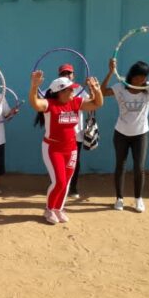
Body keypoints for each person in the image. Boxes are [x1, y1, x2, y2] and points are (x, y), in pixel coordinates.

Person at [101, 59, 149, 211]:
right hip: (121, 133)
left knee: (139, 167)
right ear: (131, 76)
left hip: (141, 134)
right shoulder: (120, 87)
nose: (141, 80)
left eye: (144, 77)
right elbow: (102, 93)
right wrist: (110, 73)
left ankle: (138, 199)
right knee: (120, 165)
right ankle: (119, 198)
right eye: (138, 77)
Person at [30, 71, 103, 224]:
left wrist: (97, 90)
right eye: (70, 89)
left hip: (71, 149)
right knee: (59, 182)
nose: (73, 91)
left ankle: (58, 208)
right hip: (53, 149)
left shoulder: (76, 102)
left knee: (67, 182)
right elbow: (35, 103)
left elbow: (98, 104)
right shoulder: (50, 104)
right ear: (60, 92)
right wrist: (34, 86)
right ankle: (49, 209)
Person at [55, 63, 92, 199]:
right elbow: (42, 101)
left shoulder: (80, 89)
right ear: (59, 76)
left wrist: (93, 88)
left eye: (69, 73)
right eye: (63, 73)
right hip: (58, 133)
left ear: (73, 75)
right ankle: (58, 185)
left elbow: (92, 102)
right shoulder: (54, 89)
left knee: (74, 161)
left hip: (76, 133)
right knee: (58, 160)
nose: (67, 75)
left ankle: (72, 187)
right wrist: (35, 86)